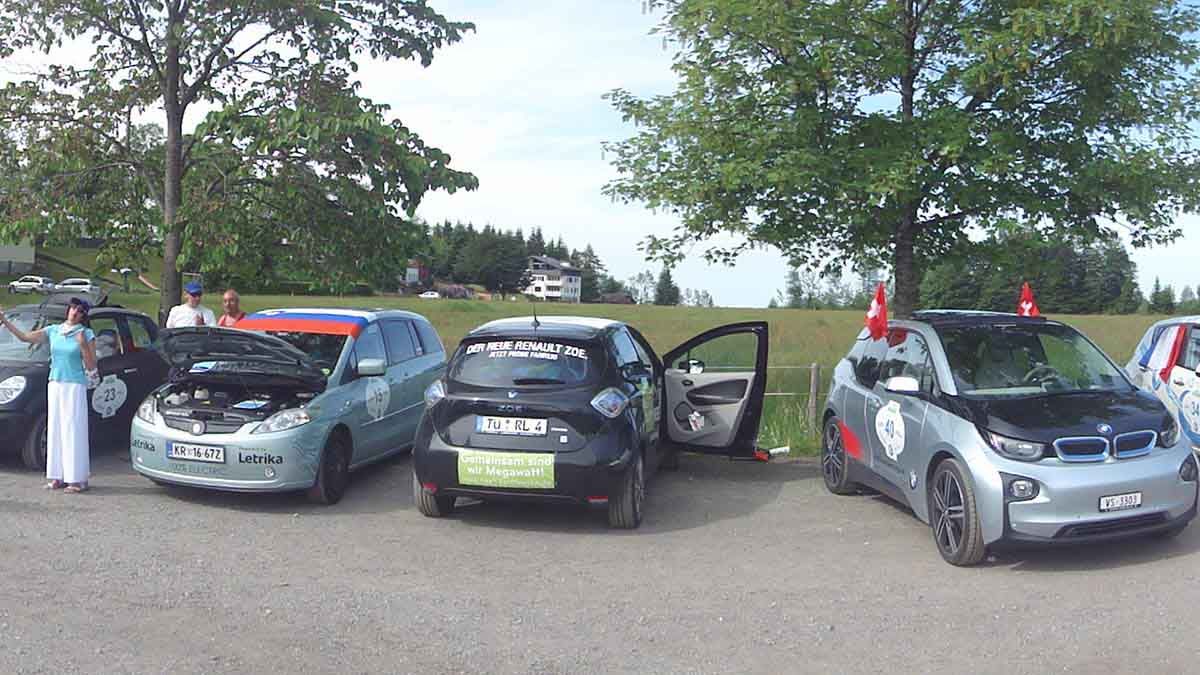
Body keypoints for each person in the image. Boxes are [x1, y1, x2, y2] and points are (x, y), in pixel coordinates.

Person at [0, 297, 98, 493]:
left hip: (74, 384)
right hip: (55, 382)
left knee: (73, 429)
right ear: (68, 310)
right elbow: (25, 338)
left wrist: (83, 346)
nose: (75, 313)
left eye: (80, 311)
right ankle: (56, 476)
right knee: (55, 428)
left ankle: (76, 478)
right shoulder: (54, 330)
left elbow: (91, 365)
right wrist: (5, 321)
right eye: (73, 308)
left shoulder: (86, 334)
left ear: (83, 316)